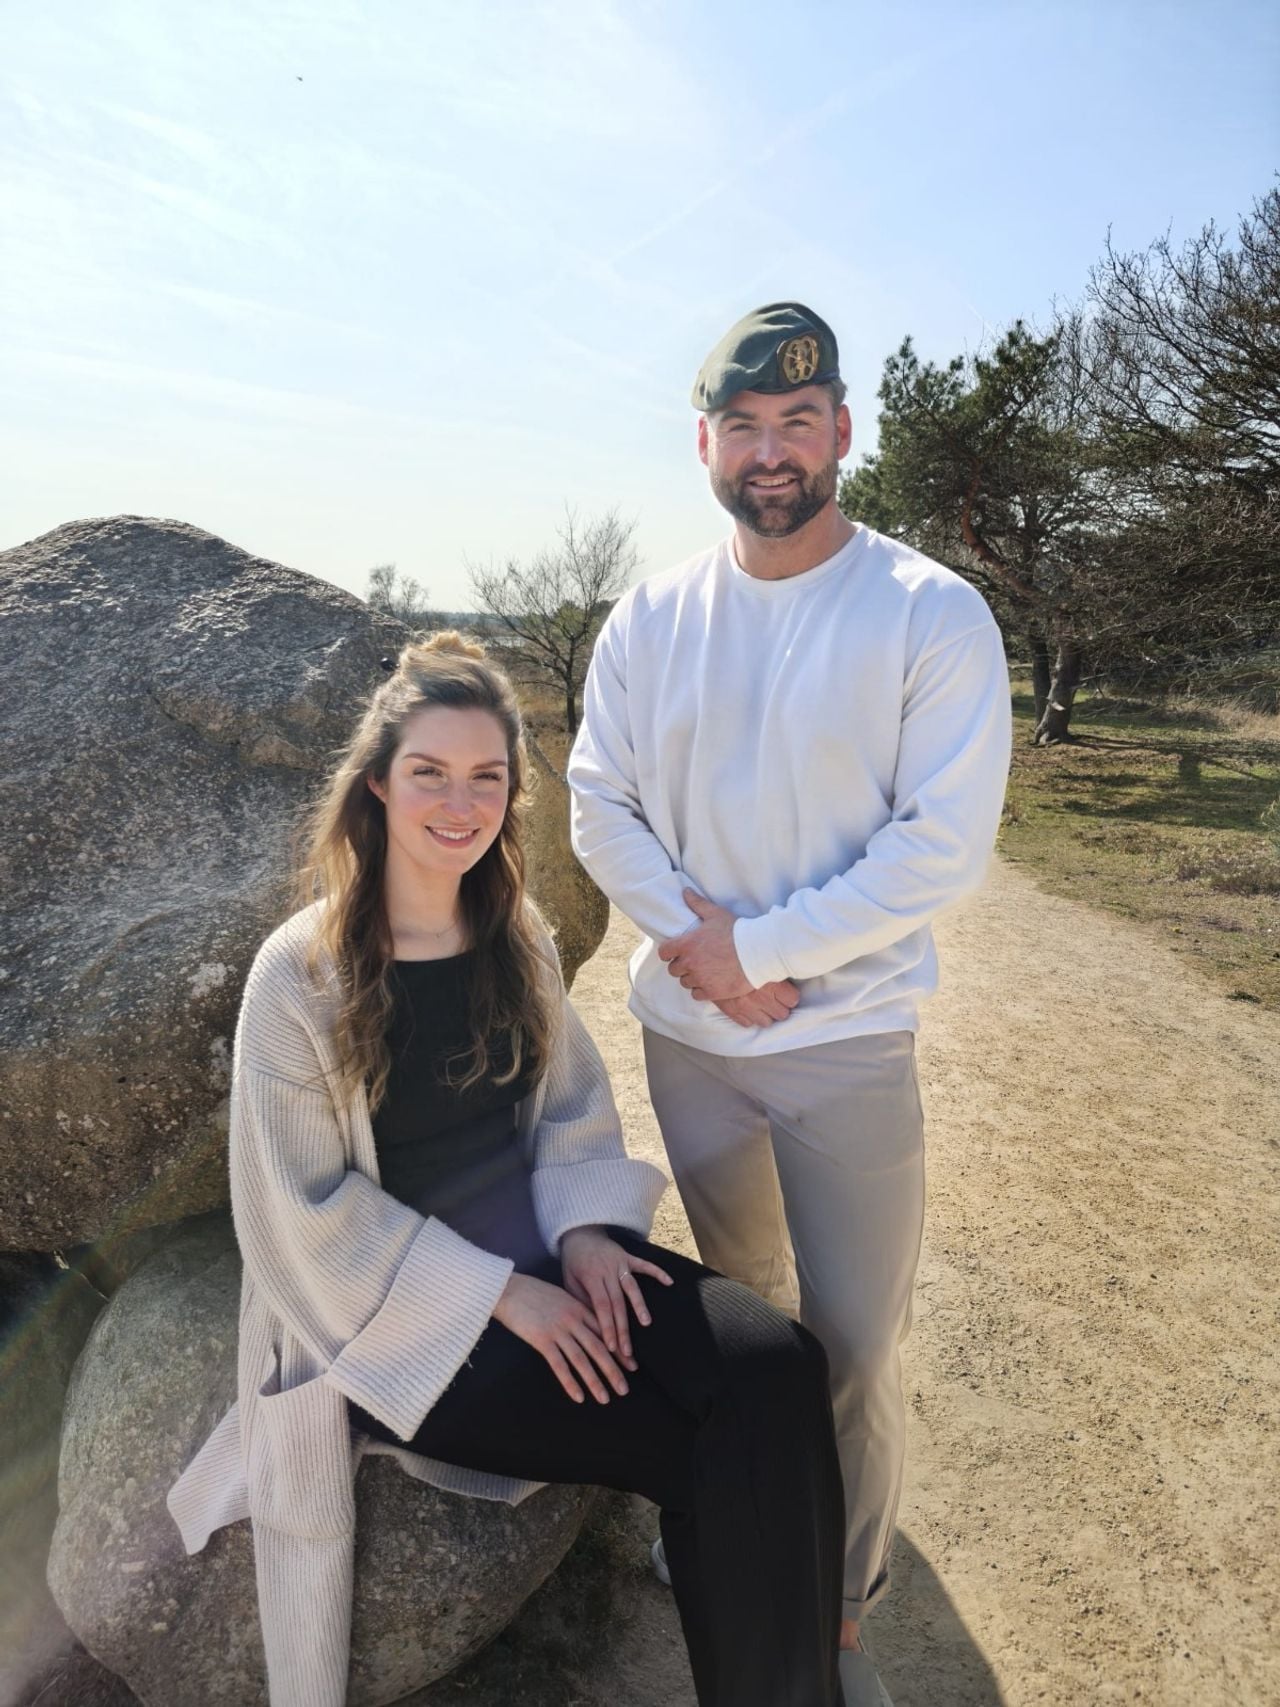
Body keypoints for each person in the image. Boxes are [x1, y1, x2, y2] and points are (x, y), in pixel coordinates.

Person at [167, 631, 850, 1707]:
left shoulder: (516, 934)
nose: (459, 802)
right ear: (378, 786)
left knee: (779, 1366)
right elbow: (298, 1218)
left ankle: (810, 1679)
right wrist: (502, 1296)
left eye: (486, 777)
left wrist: (584, 1236)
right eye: (429, 772)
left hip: (545, 1254)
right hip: (404, 1327)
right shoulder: (297, 976)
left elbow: (572, 1110)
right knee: (696, 1450)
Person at [567, 302, 1013, 1707]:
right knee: (742, 1308)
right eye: (745, 427)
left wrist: (762, 950)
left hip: (846, 1043)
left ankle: (837, 1605)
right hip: (693, 1041)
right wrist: (706, 954)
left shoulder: (928, 610)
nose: (772, 452)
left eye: (798, 422)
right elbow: (597, 799)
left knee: (856, 1341)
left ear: (841, 432)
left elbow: (940, 844)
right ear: (707, 442)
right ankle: (724, 1513)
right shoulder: (651, 614)